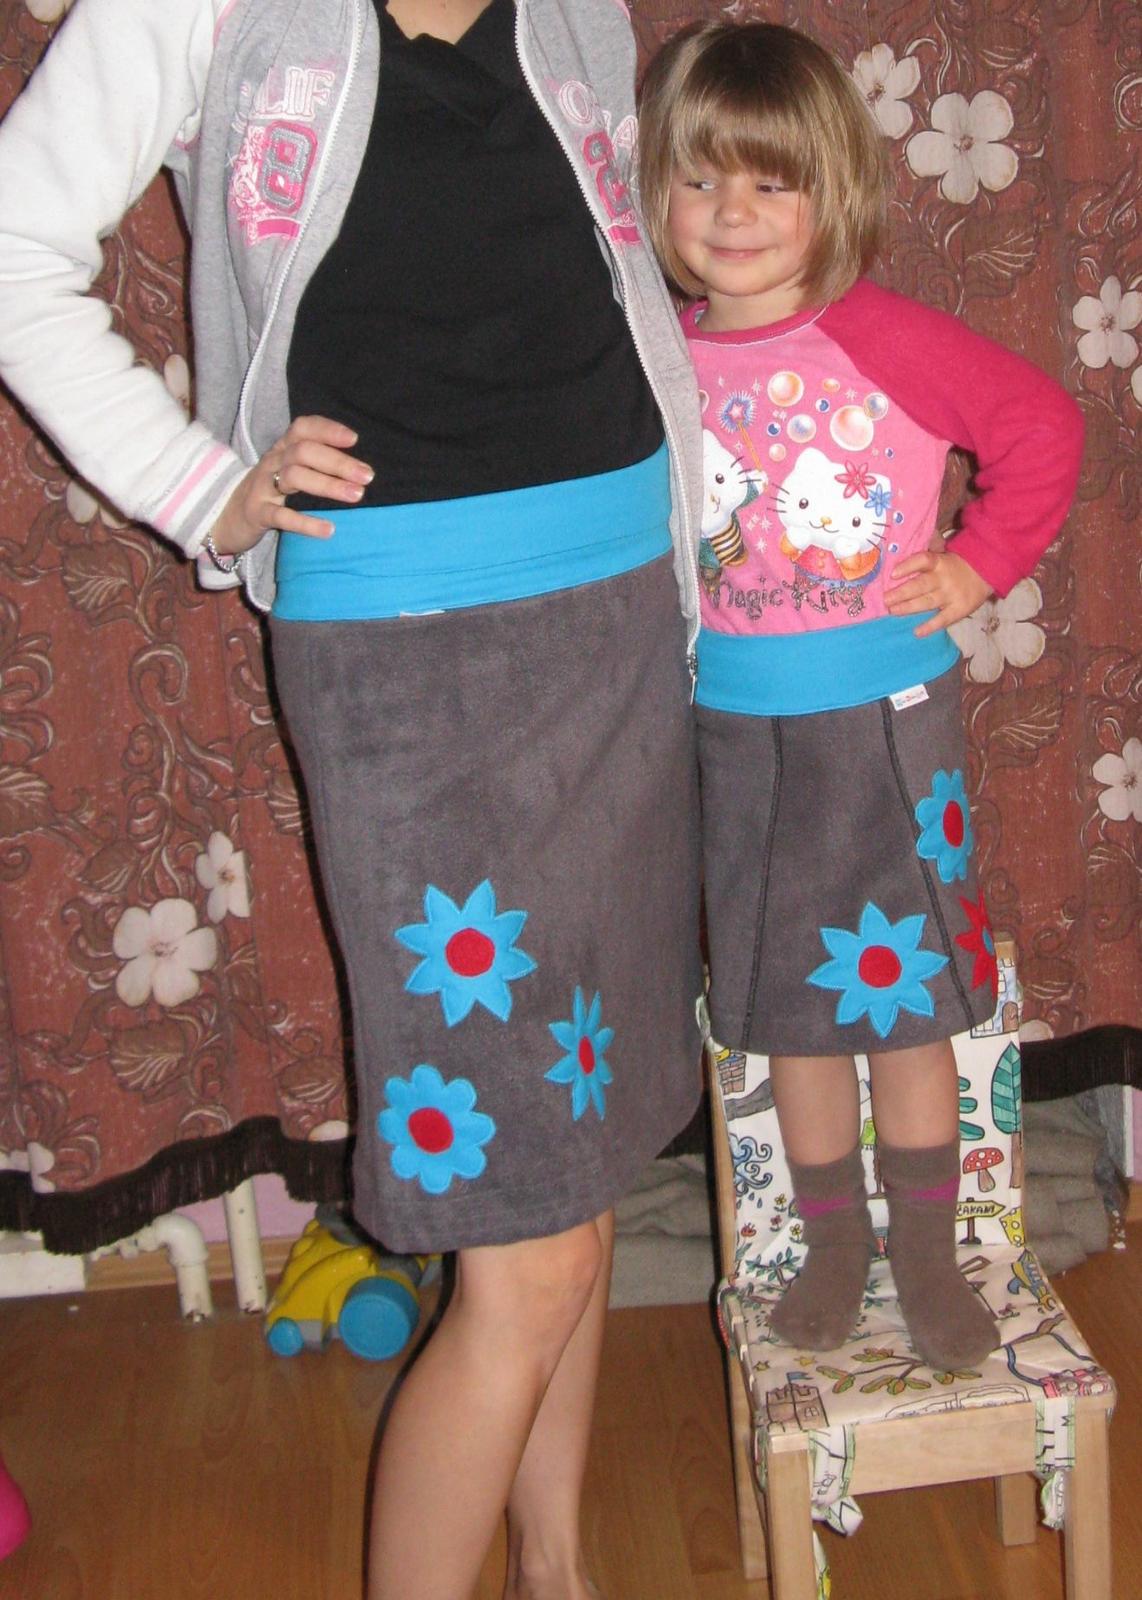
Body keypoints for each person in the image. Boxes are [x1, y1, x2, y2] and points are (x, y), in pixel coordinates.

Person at [0, 1, 707, 1594]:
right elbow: (14, 246)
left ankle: (556, 1568)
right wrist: (199, 487)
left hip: (616, 607)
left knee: (582, 1153)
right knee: (522, 1231)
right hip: (403, 648)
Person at [637, 20, 1083, 1371]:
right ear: (659, 192)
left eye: (769, 182)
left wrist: (977, 564)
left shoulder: (881, 334)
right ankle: (834, 1246)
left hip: (885, 726)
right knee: (792, 1008)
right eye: (701, 179)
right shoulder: (655, 353)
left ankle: (927, 1251)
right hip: (729, 729)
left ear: (832, 192)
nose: (731, 213)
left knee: (902, 1003)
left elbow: (1040, 427)